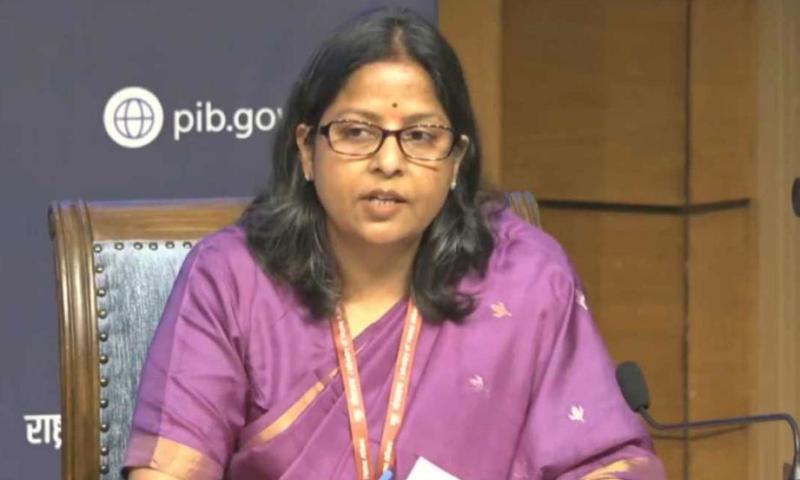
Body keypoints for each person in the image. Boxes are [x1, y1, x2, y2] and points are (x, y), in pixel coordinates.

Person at [124, 7, 665, 480]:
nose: (388, 162)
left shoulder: (525, 277)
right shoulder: (233, 277)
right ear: (307, 150)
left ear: (456, 161)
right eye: (357, 132)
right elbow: (168, 469)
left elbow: (606, 463)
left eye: (421, 136)